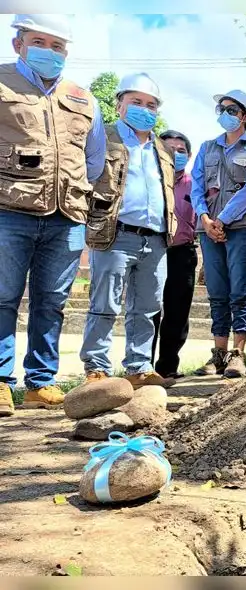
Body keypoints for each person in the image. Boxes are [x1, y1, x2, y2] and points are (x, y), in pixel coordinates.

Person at [0, 14, 106, 415]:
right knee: (3, 297)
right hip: (8, 209)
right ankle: (0, 382)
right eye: (39, 41)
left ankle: (40, 383)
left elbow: (93, 159)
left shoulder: (82, 98)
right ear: (18, 43)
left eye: (57, 46)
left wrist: (70, 185)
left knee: (52, 302)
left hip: (66, 213)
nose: (50, 51)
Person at [80, 72, 177, 389]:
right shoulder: (103, 138)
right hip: (115, 234)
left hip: (156, 239)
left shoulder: (161, 150)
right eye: (136, 102)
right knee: (104, 304)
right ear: (119, 104)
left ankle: (138, 367)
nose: (144, 109)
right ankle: (96, 368)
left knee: (148, 308)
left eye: (151, 105)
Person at [191, 89, 246, 378]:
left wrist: (222, 219)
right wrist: (206, 219)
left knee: (239, 291)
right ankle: (218, 353)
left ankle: (238, 353)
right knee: (217, 292)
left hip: (243, 227)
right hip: (208, 229)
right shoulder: (208, 147)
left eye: (232, 109)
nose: (225, 113)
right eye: (221, 108)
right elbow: (197, 187)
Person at [151, 130, 197, 379]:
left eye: (181, 150)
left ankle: (168, 367)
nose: (175, 154)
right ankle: (142, 368)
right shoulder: (148, 179)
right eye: (169, 148)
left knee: (178, 312)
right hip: (152, 249)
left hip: (182, 253)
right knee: (148, 310)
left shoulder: (195, 183)